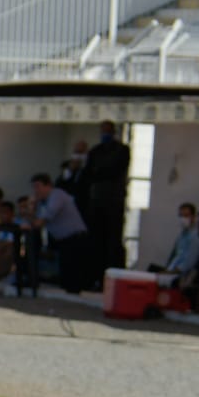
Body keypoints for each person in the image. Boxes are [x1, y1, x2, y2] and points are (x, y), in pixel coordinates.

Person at [83, 120, 130, 284]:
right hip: (97, 201)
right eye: (103, 131)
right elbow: (89, 173)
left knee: (113, 241)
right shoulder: (95, 151)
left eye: (107, 131)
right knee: (96, 240)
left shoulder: (122, 150)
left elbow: (113, 170)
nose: (105, 134)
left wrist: (100, 171)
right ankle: (95, 276)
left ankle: (113, 276)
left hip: (114, 200)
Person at [29, 173, 88, 294]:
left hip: (75, 237)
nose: (36, 190)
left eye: (38, 186)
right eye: (34, 187)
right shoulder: (42, 202)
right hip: (62, 240)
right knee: (65, 276)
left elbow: (44, 219)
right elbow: (35, 222)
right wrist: (32, 209)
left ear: (48, 186)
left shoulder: (57, 195)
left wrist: (34, 215)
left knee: (73, 276)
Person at [149, 202, 199, 285]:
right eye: (181, 216)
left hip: (181, 275)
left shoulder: (196, 236)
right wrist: (167, 270)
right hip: (171, 271)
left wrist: (171, 272)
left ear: (193, 217)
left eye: (186, 216)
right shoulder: (182, 235)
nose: (183, 219)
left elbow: (189, 263)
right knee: (150, 272)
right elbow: (176, 255)